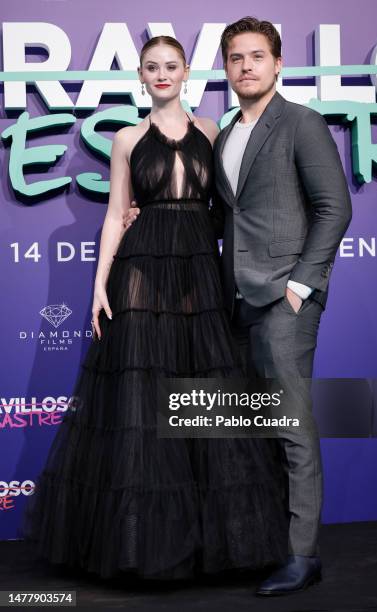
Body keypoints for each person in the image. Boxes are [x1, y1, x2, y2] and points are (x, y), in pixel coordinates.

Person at [19, 35, 289, 582]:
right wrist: (99, 286)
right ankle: (140, 547)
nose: (161, 74)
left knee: (205, 404)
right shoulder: (125, 139)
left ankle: (217, 547)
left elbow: (225, 209)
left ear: (187, 72)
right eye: (151, 67)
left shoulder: (213, 132)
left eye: (171, 66)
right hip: (140, 273)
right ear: (139, 75)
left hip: (198, 275)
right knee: (141, 408)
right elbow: (117, 214)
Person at [124, 19, 353, 596]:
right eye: (235, 58)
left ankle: (302, 555)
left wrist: (301, 285)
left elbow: (334, 209)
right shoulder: (223, 133)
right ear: (224, 69)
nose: (246, 66)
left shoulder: (301, 122)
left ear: (278, 64)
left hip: (283, 299)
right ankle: (271, 542)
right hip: (230, 299)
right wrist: (146, 220)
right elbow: (222, 217)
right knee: (252, 426)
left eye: (257, 56)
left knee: (291, 424)